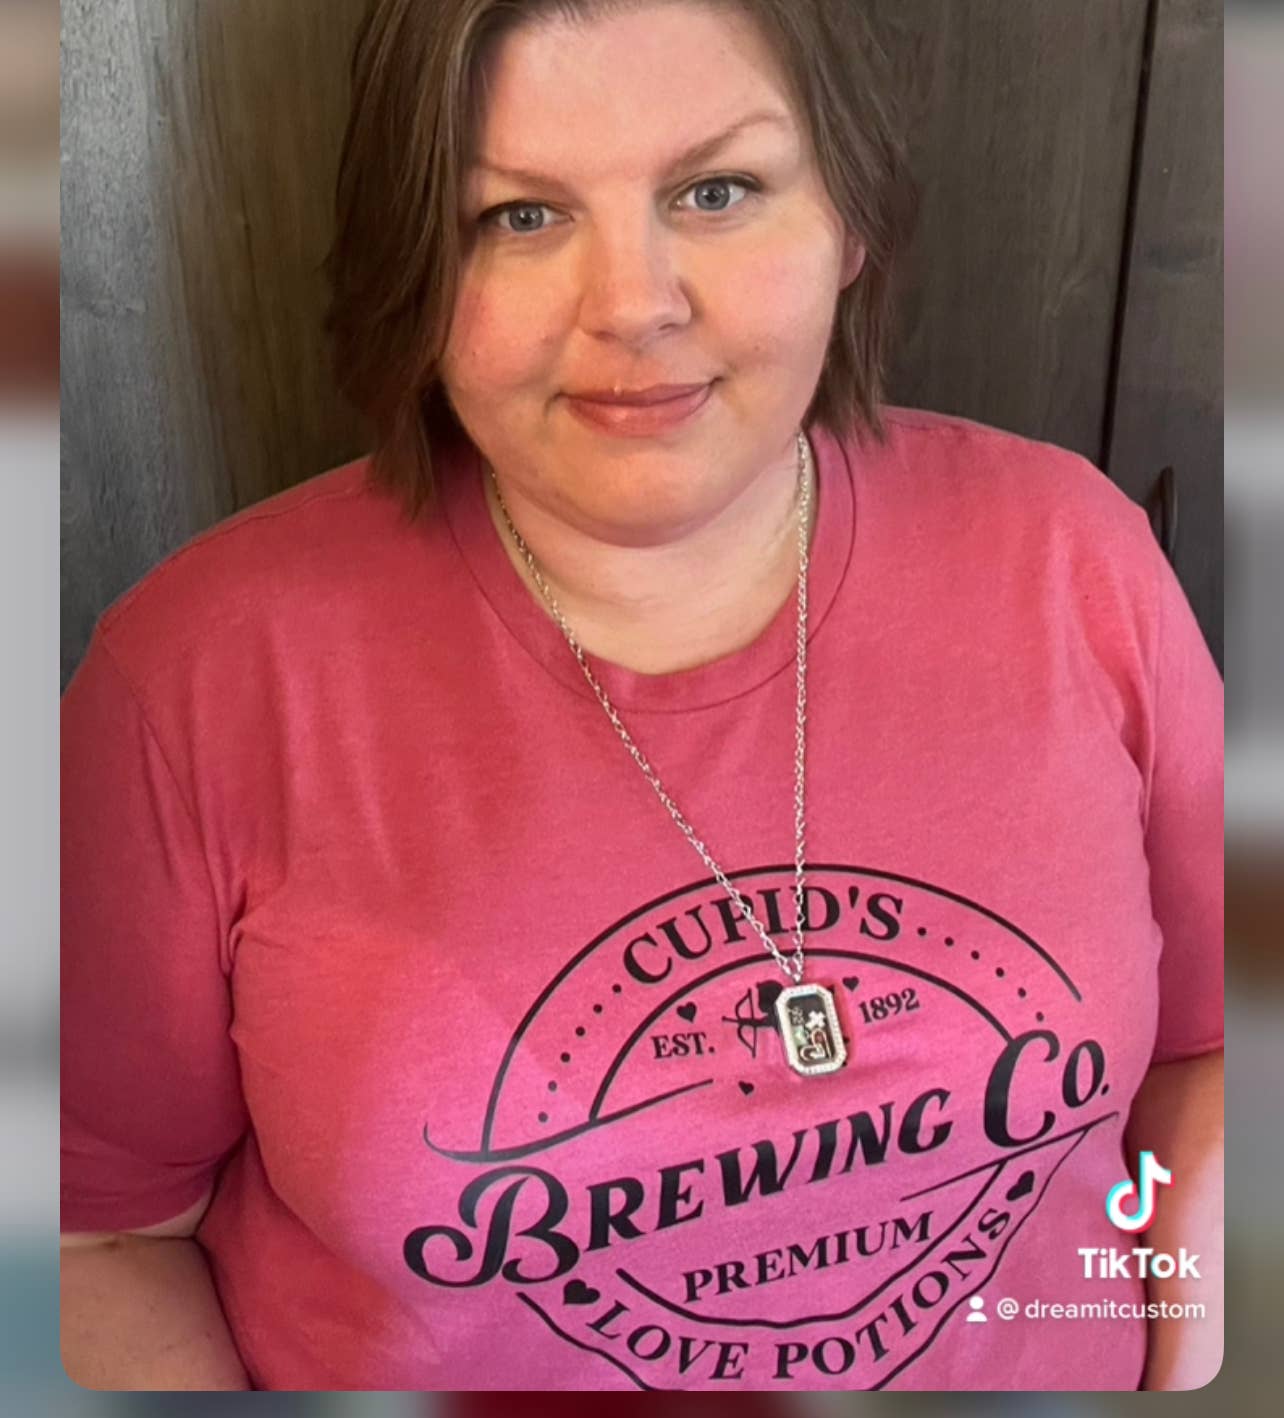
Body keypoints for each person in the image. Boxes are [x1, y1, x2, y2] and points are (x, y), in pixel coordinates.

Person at [60, 0, 1224, 1393]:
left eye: (716, 190)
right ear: (416, 259)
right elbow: (98, 1233)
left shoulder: (1075, 559)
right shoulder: (194, 681)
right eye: (519, 216)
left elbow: (1209, 1055)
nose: (633, 304)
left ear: (851, 219)